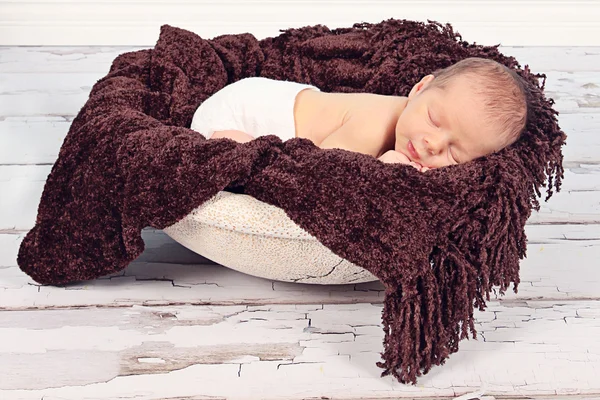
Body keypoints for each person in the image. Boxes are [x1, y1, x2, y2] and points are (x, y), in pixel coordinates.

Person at [191, 57, 529, 172]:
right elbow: (319, 173)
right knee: (256, 160)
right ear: (420, 88)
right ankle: (225, 144)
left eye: (455, 152)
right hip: (237, 114)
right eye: (435, 121)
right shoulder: (372, 126)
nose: (432, 144)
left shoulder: (410, 116)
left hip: (272, 95)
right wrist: (390, 167)